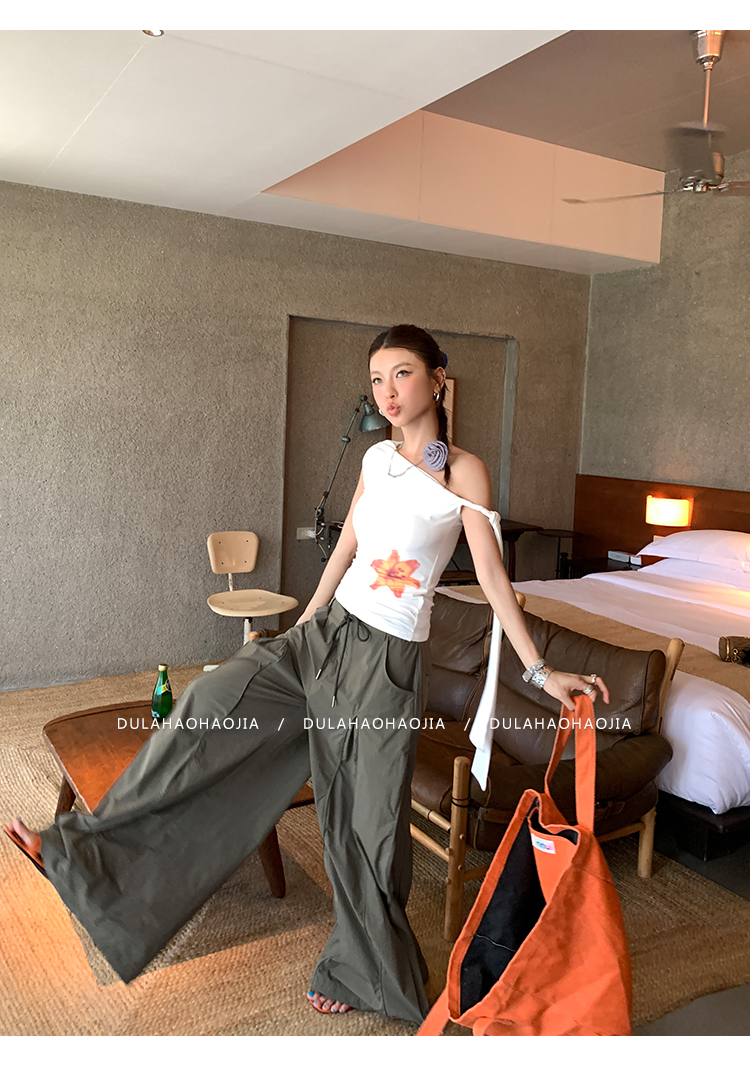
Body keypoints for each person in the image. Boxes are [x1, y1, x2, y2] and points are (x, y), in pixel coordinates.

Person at [4, 324, 608, 1026]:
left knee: (364, 827)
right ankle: (82, 855)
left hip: (385, 665)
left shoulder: (464, 473)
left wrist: (539, 672)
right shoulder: (376, 458)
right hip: (325, 635)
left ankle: (360, 969)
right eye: (377, 379)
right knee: (206, 709)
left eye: (402, 374)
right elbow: (347, 545)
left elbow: (495, 578)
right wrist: (304, 623)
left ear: (438, 379)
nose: (386, 392)